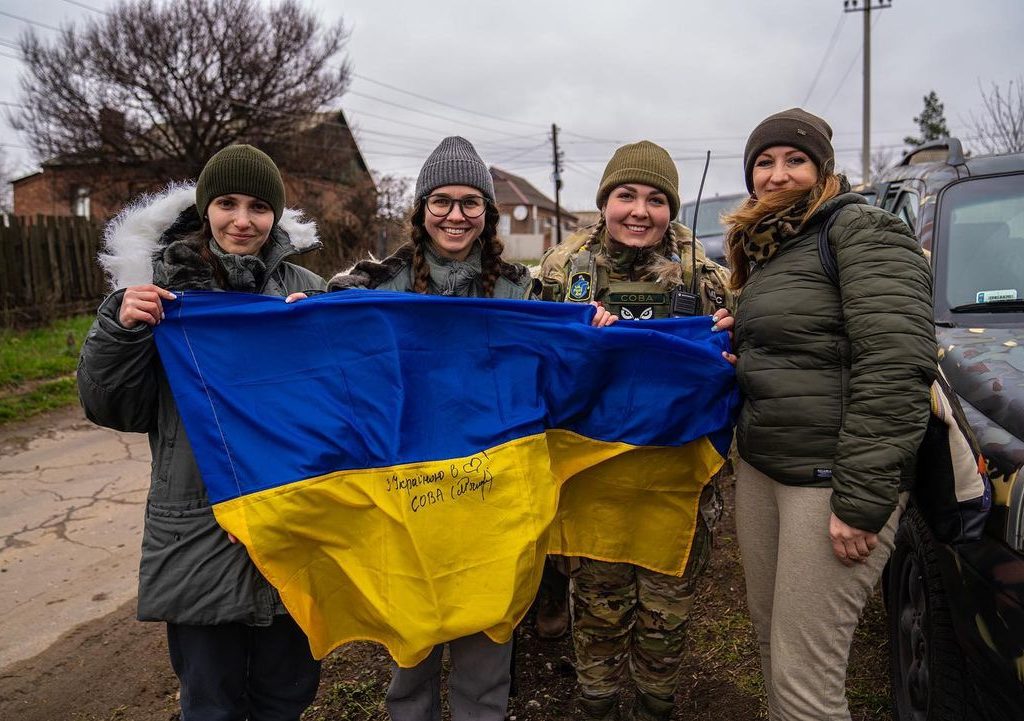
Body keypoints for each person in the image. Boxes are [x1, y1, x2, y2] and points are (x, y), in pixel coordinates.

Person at [328, 135, 613, 721]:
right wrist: (302, 314)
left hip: (494, 501)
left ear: (488, 213)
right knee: (412, 654)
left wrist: (595, 333)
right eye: (441, 201)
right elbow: (324, 345)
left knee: (487, 658)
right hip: (407, 499)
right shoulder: (374, 285)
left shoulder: (521, 290)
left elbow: (561, 363)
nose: (455, 215)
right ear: (420, 209)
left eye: (469, 203)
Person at [78, 145, 327, 721]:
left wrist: (318, 336)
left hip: (292, 523)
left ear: (276, 215)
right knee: (209, 700)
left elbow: (349, 401)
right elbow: (113, 407)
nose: (243, 220)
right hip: (196, 527)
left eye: (259, 207)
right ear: (205, 207)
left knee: (287, 692)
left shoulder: (308, 289)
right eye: (227, 203)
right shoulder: (155, 292)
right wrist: (119, 331)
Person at [724, 108, 936, 720]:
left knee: (806, 682)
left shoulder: (861, 230)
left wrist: (862, 499)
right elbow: (810, 339)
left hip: (831, 481)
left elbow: (897, 362)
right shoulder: (774, 246)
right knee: (772, 646)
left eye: (795, 160)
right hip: (766, 468)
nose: (777, 174)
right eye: (764, 162)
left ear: (823, 169)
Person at [538, 140, 735, 721]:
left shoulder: (705, 273)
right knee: (598, 607)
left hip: (674, 481)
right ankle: (597, 703)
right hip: (593, 477)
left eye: (655, 199)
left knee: (664, 611)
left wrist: (729, 340)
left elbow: (746, 352)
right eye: (626, 196)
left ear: (672, 207)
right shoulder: (561, 269)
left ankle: (656, 703)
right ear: (605, 201)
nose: (639, 211)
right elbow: (531, 355)